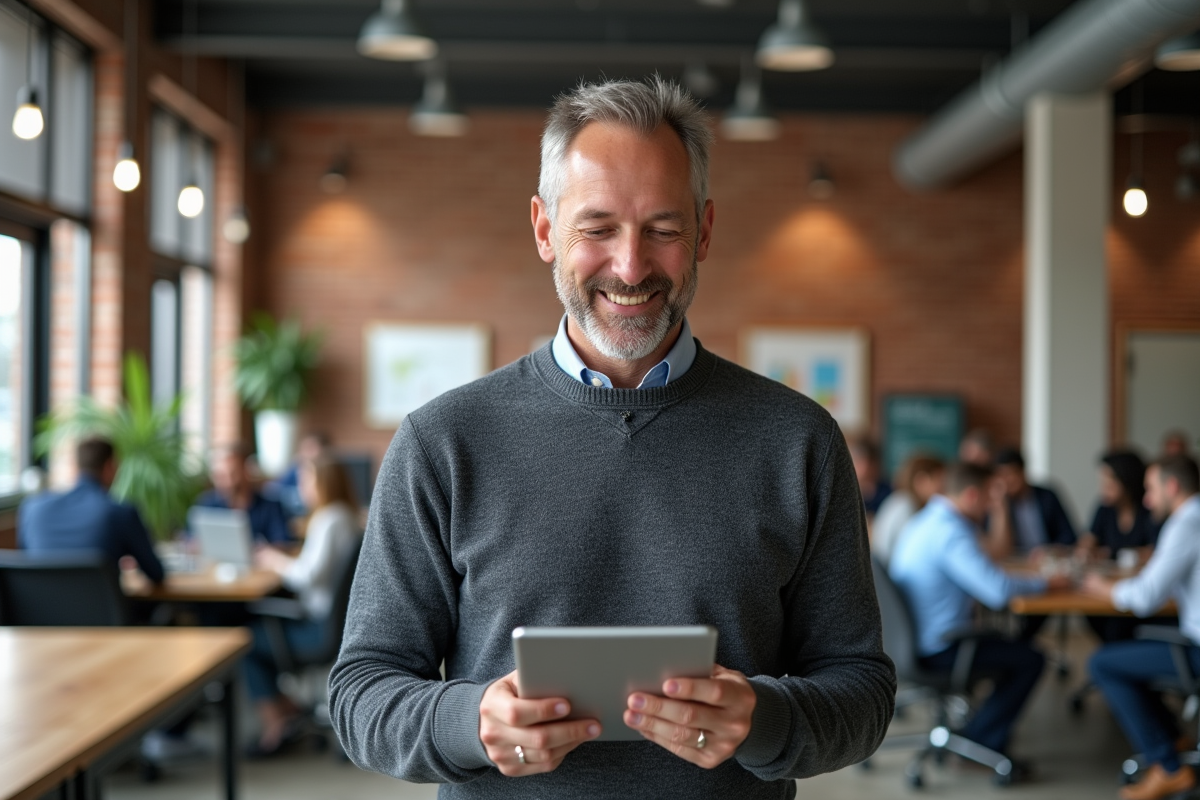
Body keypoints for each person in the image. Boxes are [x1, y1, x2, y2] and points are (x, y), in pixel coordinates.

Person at [329, 77, 896, 798]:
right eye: (597, 229)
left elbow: (864, 692)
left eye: (663, 229)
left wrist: (767, 719)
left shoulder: (797, 440)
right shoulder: (443, 441)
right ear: (544, 230)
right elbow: (359, 695)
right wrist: (468, 721)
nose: (631, 267)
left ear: (705, 231)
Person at [889, 462, 1069, 770]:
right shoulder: (950, 532)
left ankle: (981, 732)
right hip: (941, 647)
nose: (992, 507)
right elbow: (997, 591)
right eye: (989, 499)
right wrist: (1049, 583)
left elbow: (989, 564)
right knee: (1031, 659)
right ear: (972, 496)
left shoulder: (928, 520)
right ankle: (983, 741)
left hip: (910, 642)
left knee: (1012, 648)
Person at [1084, 455, 1200, 800]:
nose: (1147, 499)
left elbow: (1146, 597)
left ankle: (1168, 767)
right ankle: (1171, 736)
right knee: (1133, 647)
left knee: (1102, 662)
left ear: (1172, 486)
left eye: (1150, 489)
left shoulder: (1186, 522)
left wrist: (1102, 588)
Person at [245, 455, 361, 757]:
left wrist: (274, 559)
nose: (301, 488)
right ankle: (290, 711)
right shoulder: (346, 516)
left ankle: (277, 723)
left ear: (323, 482)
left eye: (306, 480)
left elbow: (308, 576)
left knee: (244, 642)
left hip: (317, 626)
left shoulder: (329, 519)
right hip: (335, 623)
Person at [18, 436, 164, 584]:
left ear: (76, 466)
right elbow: (156, 573)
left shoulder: (32, 509)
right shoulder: (119, 513)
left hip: (39, 606)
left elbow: (27, 564)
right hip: (102, 606)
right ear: (110, 467)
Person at [988, 447, 1077, 557]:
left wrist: (1050, 550)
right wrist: (1000, 508)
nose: (1007, 481)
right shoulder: (999, 504)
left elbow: (1068, 535)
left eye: (1010, 474)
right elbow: (991, 541)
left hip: (1046, 560)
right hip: (1013, 563)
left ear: (1023, 472)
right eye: (1001, 476)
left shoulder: (1047, 497)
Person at [196, 443, 292, 544]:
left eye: (233, 474)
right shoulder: (206, 506)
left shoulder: (270, 508)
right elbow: (190, 540)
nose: (228, 482)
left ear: (246, 472)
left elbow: (283, 545)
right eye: (220, 476)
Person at [870, 453, 945, 565]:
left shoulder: (900, 500)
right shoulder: (906, 507)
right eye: (940, 481)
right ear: (921, 480)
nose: (944, 489)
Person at [267, 431, 330, 518]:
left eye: (312, 448)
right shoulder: (296, 469)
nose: (308, 454)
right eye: (305, 449)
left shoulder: (328, 475)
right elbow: (272, 490)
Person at [849, 435, 892, 518]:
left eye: (865, 462)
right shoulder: (846, 493)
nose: (863, 468)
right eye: (857, 462)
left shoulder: (888, 493)